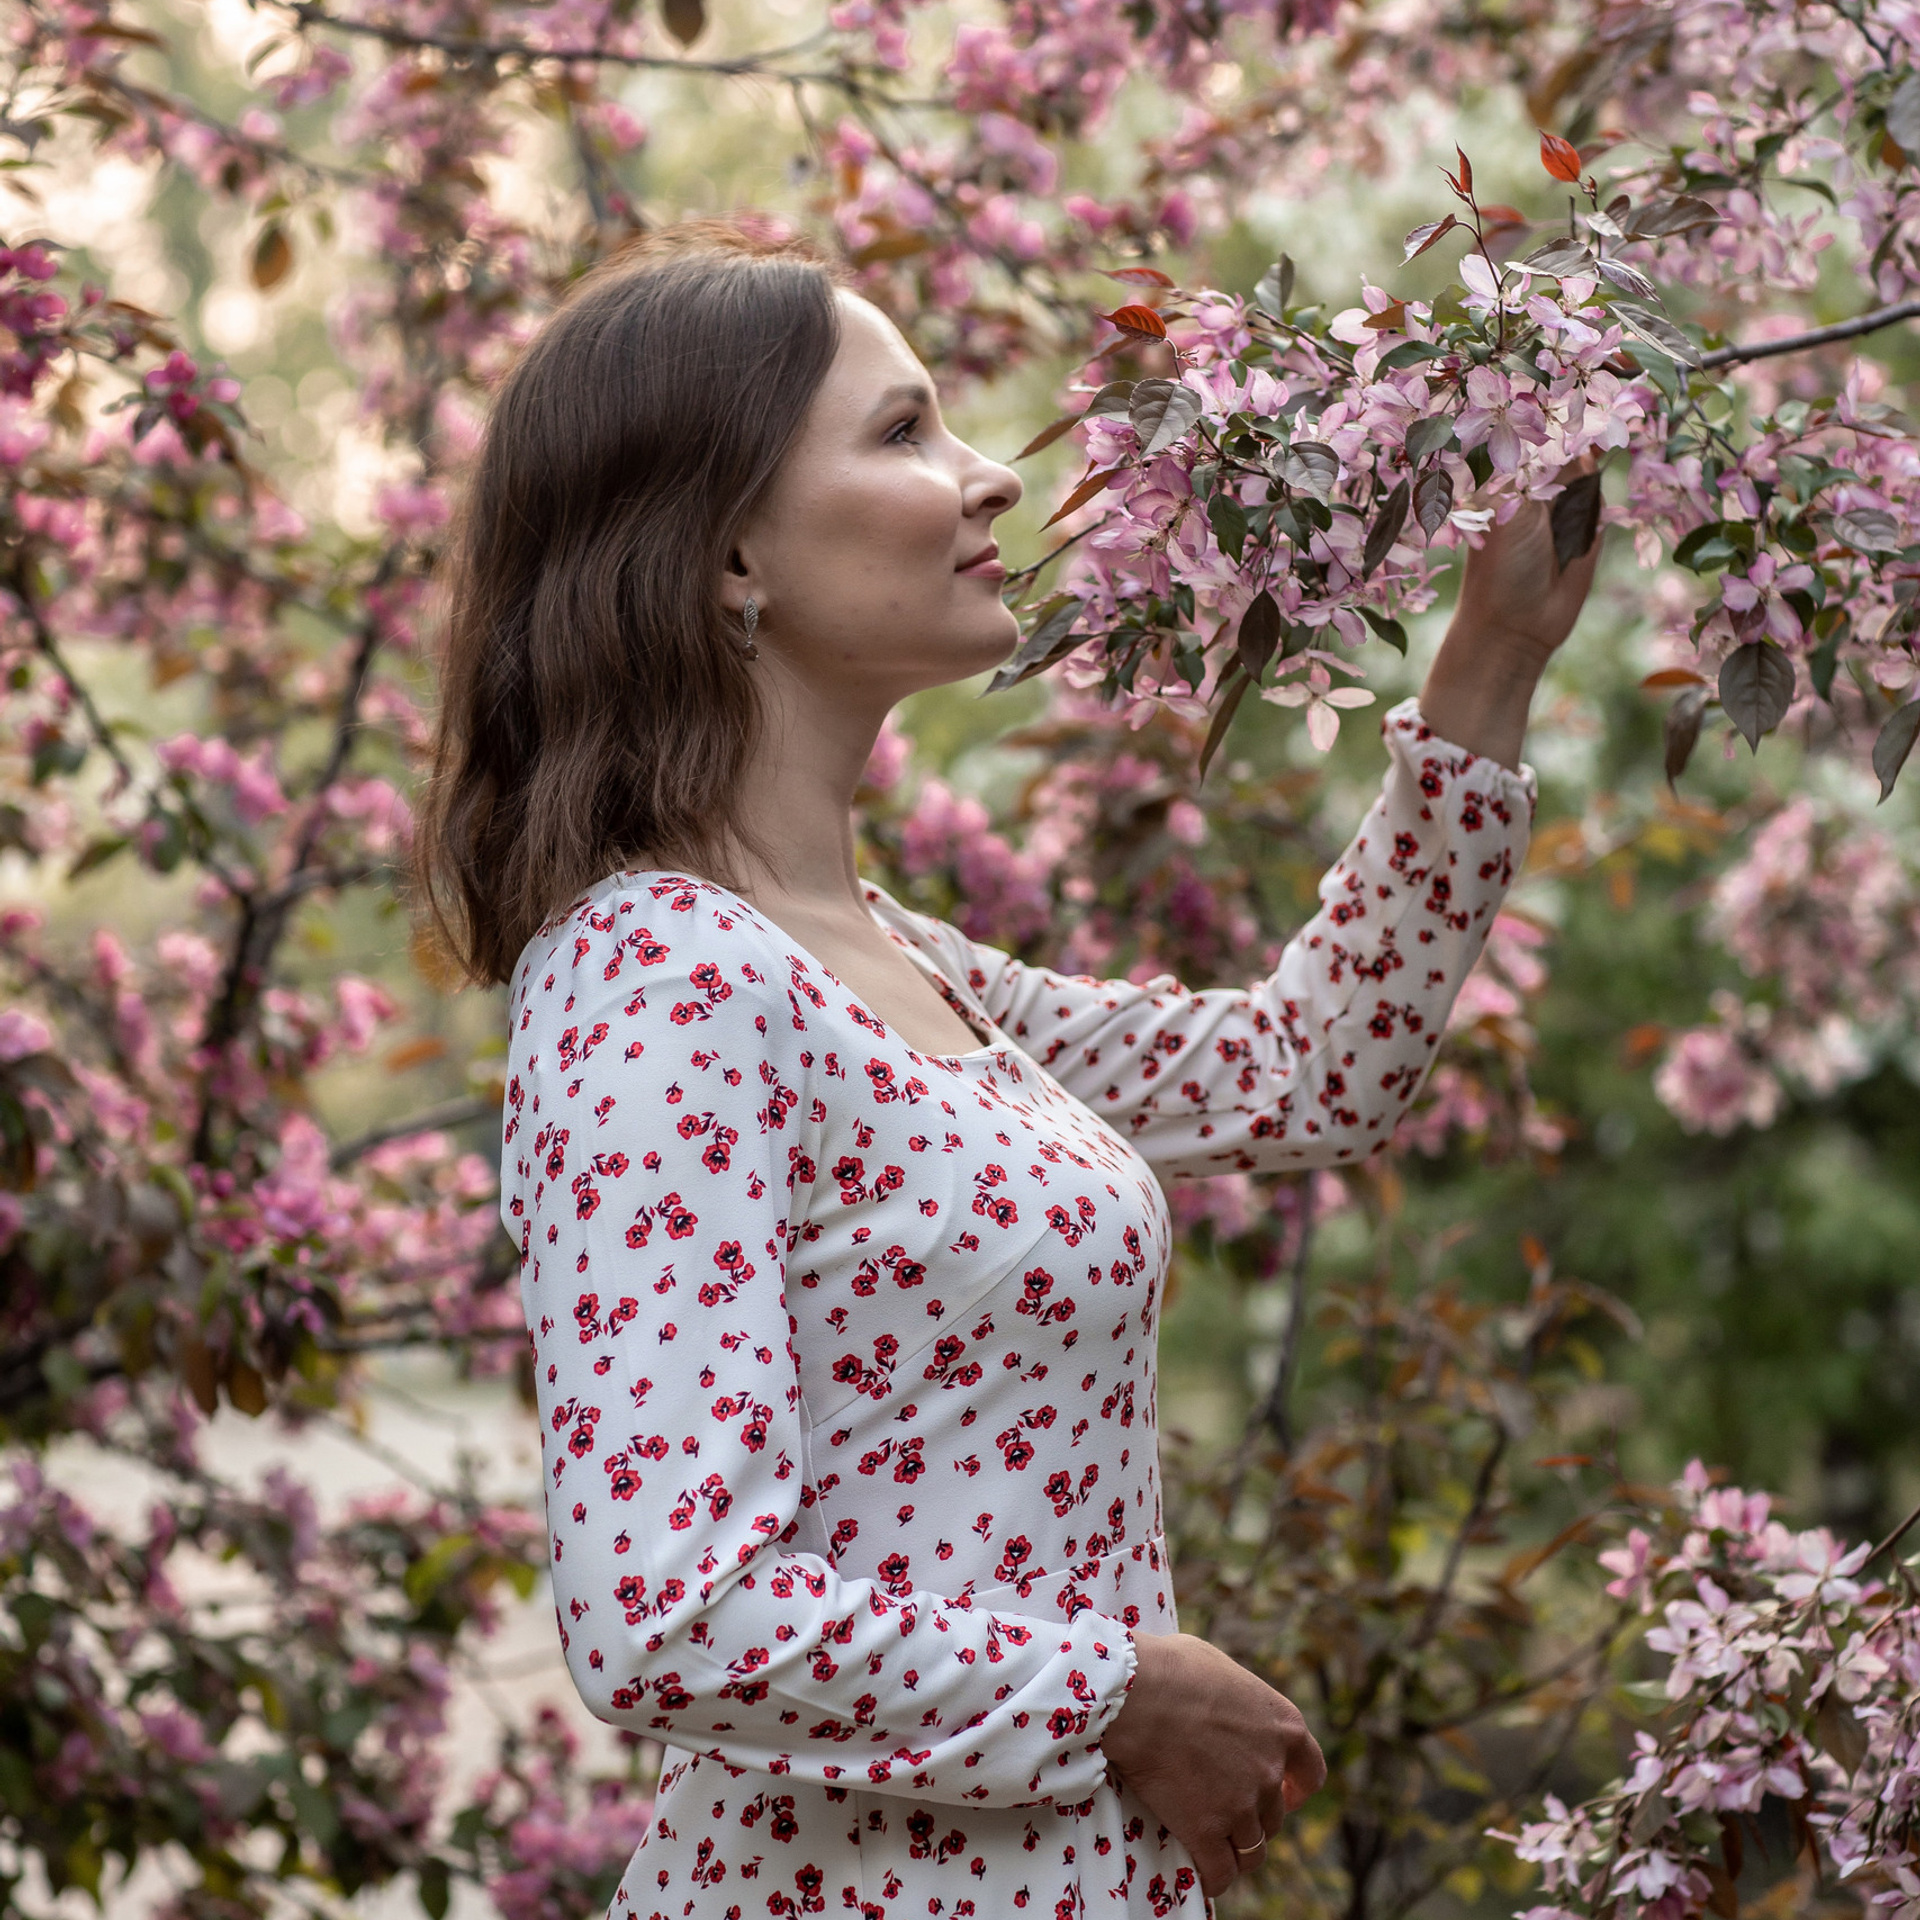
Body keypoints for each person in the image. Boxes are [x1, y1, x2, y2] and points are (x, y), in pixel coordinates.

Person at [417, 218, 1600, 1920]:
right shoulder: (657, 976)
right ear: (724, 549)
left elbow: (1311, 1071)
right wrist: (1126, 1694)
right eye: (903, 434)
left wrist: (1491, 662)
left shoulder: (894, 962)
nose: (988, 479)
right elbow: (666, 1613)